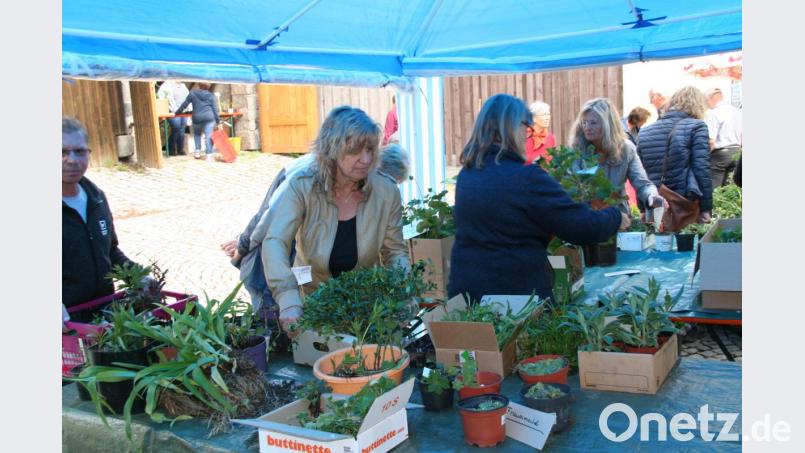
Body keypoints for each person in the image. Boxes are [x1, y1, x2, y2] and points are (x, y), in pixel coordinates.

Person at [447, 94, 629, 304]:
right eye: (526, 126)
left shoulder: (468, 174)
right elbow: (578, 226)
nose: (528, 134)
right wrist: (615, 217)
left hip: (467, 293)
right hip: (514, 298)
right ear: (512, 127)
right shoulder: (525, 177)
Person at [258, 106, 410, 334]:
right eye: (355, 150)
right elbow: (275, 242)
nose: (366, 159)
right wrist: (288, 298)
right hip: (313, 305)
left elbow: (395, 252)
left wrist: (403, 293)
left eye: (370, 149)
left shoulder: (386, 191)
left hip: (366, 309)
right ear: (332, 148)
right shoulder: (303, 186)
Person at [220, 143, 411, 317]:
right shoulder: (305, 176)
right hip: (270, 256)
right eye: (388, 181)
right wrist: (242, 247)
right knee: (271, 310)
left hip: (303, 259)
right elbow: (268, 217)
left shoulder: (360, 185)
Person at [62, 117, 139, 321]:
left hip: (104, 317)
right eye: (62, 152)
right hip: (66, 324)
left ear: (88, 153)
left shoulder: (96, 198)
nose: (71, 160)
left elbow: (110, 252)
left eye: (79, 151)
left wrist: (139, 276)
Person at [570, 98, 663, 215]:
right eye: (584, 122)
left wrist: (652, 196)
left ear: (608, 124)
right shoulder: (577, 152)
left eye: (593, 123)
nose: (587, 127)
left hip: (619, 216)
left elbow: (643, 184)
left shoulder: (626, 149)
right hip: (588, 217)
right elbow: (572, 190)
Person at [638, 86, 713, 224]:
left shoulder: (644, 132)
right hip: (683, 203)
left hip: (654, 201)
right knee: (687, 237)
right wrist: (706, 209)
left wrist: (642, 207)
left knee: (655, 236)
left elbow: (639, 175)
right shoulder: (697, 127)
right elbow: (702, 169)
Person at [705, 87, 742, 187]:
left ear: (711, 98)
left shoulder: (714, 113)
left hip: (720, 154)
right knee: (730, 188)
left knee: (715, 187)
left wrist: (705, 156)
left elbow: (711, 140)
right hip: (736, 152)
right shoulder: (737, 112)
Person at [176, 82, 221, 162]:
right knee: (208, 136)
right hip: (209, 118)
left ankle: (197, 152)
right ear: (208, 87)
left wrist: (177, 112)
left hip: (197, 118)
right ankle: (208, 155)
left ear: (199, 85)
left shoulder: (193, 93)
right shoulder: (211, 96)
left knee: (197, 134)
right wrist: (218, 121)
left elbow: (184, 104)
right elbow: (215, 109)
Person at [156, 80, 190, 156]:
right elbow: (160, 96)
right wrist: (166, 106)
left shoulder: (183, 86)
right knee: (176, 128)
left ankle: (180, 149)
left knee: (182, 130)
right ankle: (171, 149)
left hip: (184, 111)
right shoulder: (167, 85)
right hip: (173, 111)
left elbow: (188, 97)